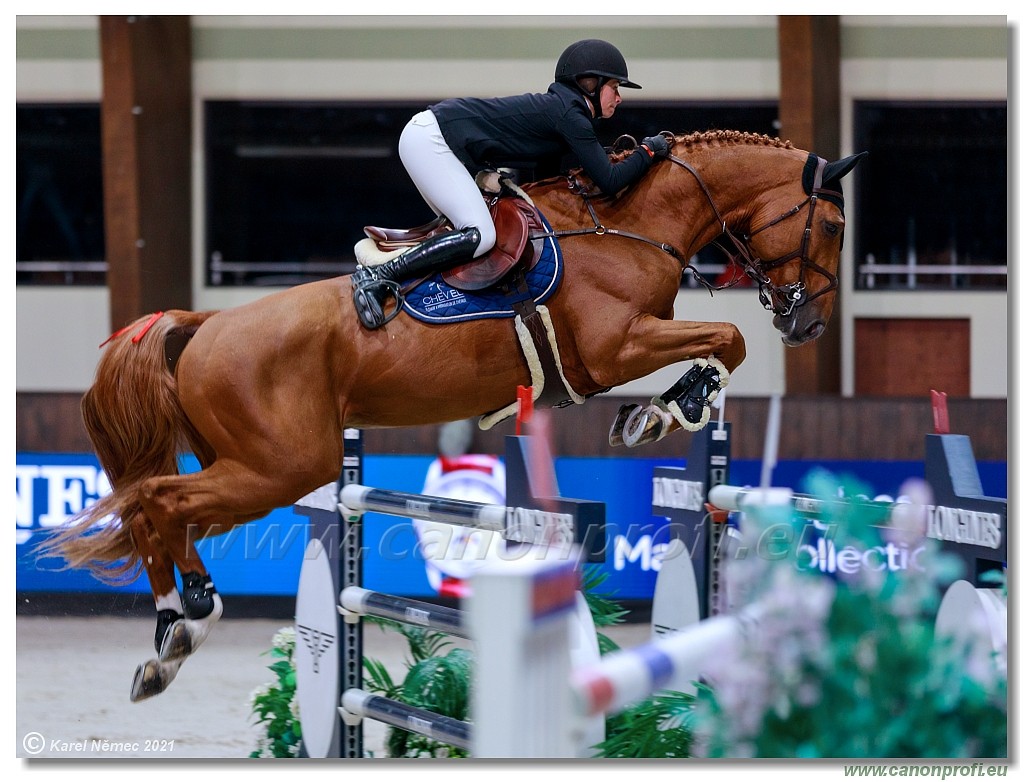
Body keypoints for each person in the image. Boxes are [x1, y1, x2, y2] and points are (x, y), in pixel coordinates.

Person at [352, 38, 670, 329]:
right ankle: (379, 277)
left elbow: (545, 186)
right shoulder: (570, 115)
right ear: (590, 84)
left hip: (435, 139)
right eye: (614, 86)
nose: (619, 97)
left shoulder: (564, 113)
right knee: (480, 235)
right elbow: (610, 180)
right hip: (433, 139)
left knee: (469, 234)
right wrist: (648, 150)